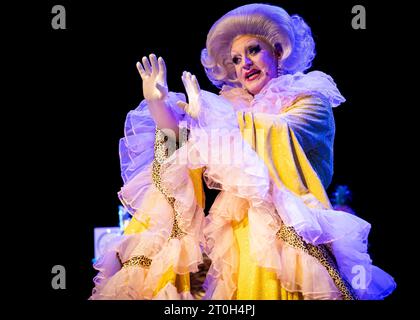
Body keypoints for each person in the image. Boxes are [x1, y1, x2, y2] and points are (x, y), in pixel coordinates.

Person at [90, 3, 396, 300]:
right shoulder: (227, 111)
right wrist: (161, 110)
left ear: (277, 52)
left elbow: (281, 136)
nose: (244, 64)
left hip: (289, 234)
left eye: (253, 51)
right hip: (236, 240)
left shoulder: (308, 101)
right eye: (236, 60)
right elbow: (182, 158)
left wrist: (211, 117)